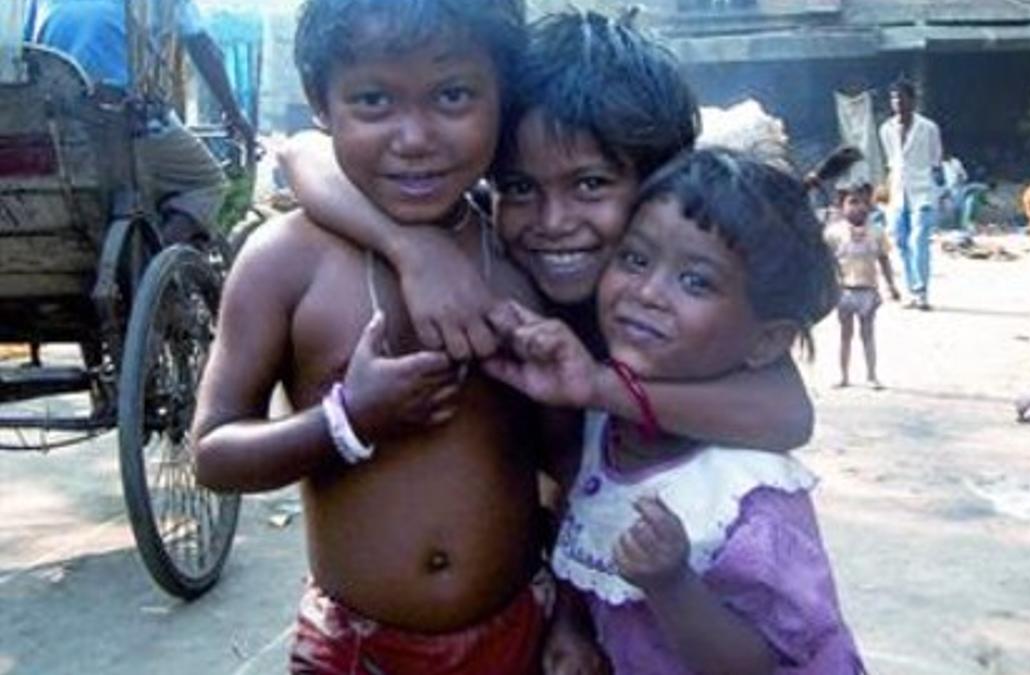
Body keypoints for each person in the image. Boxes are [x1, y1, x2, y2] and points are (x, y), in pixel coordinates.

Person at [189, 2, 556, 672]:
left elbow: (570, 460)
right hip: (355, 650)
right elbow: (213, 455)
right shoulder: (285, 261)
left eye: (453, 94)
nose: (414, 136)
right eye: (372, 100)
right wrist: (345, 420)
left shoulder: (521, 248)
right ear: (321, 105)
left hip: (524, 630)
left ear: (502, 94)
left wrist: (577, 612)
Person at [279, 10, 818, 455]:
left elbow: (790, 416)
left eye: (590, 184)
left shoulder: (669, 299)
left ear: (661, 181)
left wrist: (600, 388)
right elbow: (302, 150)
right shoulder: (486, 243)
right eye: (517, 186)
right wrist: (414, 249)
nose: (552, 223)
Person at [484, 147, 864, 674]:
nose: (646, 293)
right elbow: (585, 532)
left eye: (696, 282)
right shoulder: (605, 429)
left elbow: (759, 665)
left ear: (767, 341)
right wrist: (571, 623)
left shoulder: (749, 497)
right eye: (636, 259)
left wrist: (673, 585)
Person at [26, 0, 254, 244]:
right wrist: (234, 114)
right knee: (208, 183)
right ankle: (156, 262)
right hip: (122, 124)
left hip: (54, 128)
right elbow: (202, 46)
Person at [828, 183, 901, 389]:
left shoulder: (877, 232)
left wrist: (891, 286)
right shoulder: (833, 233)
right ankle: (843, 376)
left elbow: (884, 259)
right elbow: (826, 262)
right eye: (853, 202)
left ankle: (871, 375)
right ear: (841, 206)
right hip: (843, 291)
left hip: (868, 290)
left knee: (868, 334)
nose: (859, 207)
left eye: (864, 202)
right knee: (845, 335)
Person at [879, 78, 942, 310]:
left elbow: (935, 161)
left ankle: (921, 291)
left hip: (922, 190)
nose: (897, 102)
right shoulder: (886, 129)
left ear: (913, 100)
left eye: (902, 97)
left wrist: (939, 192)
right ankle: (910, 290)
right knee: (901, 241)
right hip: (898, 192)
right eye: (894, 98)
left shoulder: (929, 128)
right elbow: (891, 163)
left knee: (919, 240)